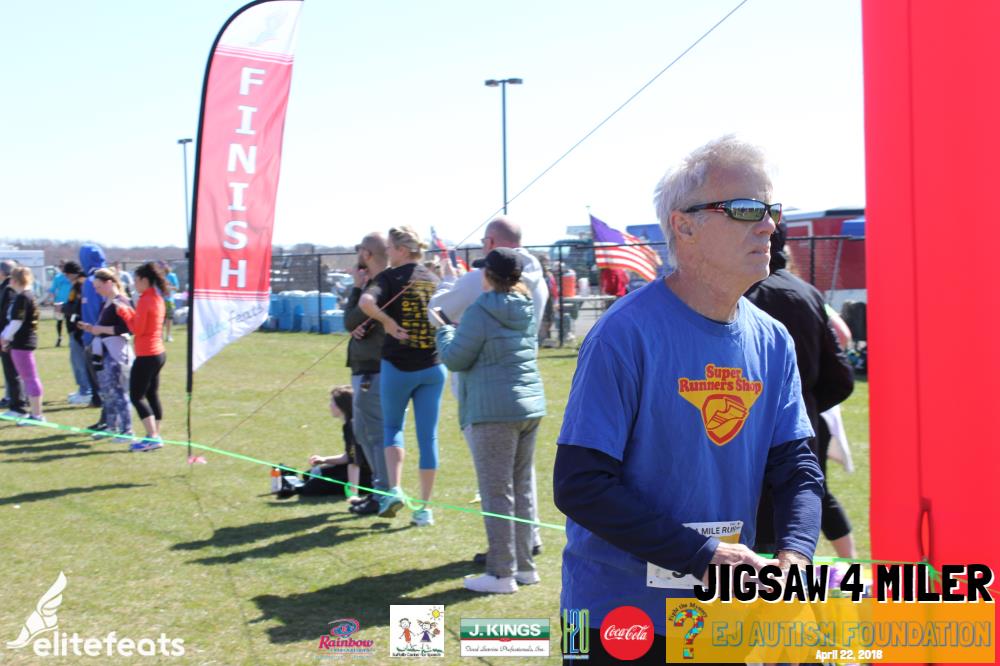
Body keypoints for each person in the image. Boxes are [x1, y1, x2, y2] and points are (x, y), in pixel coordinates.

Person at [553, 136, 824, 658]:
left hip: (720, 616)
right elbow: (581, 484)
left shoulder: (772, 339)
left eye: (772, 211)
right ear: (684, 226)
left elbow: (797, 469)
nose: (769, 226)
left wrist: (795, 558)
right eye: (746, 209)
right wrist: (702, 554)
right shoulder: (623, 334)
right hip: (617, 618)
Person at [427, 216, 548, 559]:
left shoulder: (482, 298)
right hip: (525, 390)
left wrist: (448, 281)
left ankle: (503, 562)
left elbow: (439, 314)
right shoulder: (534, 283)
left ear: (492, 244)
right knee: (520, 481)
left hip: (487, 395)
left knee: (497, 486)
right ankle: (525, 549)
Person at [745, 227, 856, 560]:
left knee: (765, 526)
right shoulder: (806, 293)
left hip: (752, 428)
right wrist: (805, 405)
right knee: (800, 505)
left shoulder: (740, 295)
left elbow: (840, 375)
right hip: (801, 423)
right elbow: (840, 375)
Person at [359, 226, 445, 527]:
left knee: (393, 427)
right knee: (428, 436)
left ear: (402, 250)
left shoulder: (388, 278)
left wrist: (387, 322)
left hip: (397, 366)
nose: (387, 253)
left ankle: (394, 489)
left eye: (390, 248)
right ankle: (424, 509)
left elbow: (365, 303)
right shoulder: (434, 279)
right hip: (433, 367)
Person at [342, 233, 389, 516]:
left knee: (375, 434)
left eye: (360, 250)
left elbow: (349, 319)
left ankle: (383, 493)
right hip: (365, 367)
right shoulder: (373, 284)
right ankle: (377, 490)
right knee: (363, 433)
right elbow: (352, 323)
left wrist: (357, 288)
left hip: (374, 368)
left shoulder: (379, 286)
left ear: (367, 254)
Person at [278, 385, 373, 499]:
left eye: (332, 402)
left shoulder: (351, 427)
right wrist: (324, 460)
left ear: (341, 406)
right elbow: (349, 456)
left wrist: (353, 493)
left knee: (311, 487)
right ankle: (292, 480)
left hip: (366, 477)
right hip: (358, 469)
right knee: (309, 474)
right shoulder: (349, 424)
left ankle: (294, 485)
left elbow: (354, 463)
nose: (330, 406)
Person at [79, 268, 134, 441]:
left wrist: (100, 329)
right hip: (103, 351)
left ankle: (127, 430)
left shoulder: (121, 301)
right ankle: (111, 427)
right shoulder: (106, 302)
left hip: (115, 352)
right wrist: (92, 328)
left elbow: (127, 328)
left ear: (109, 283)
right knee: (107, 392)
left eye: (99, 287)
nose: (97, 291)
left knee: (118, 391)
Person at [119, 262, 168, 452]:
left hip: (147, 355)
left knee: (136, 396)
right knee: (151, 394)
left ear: (144, 280)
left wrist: (123, 311)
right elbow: (143, 323)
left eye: (136, 280)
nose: (134, 284)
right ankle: (155, 434)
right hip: (158, 353)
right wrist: (130, 310)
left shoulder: (146, 299)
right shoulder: (156, 297)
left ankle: (152, 437)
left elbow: (136, 329)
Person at [1, 267, 45, 425]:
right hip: (21, 342)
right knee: (28, 378)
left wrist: (4, 338)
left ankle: (37, 415)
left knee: (30, 378)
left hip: (23, 343)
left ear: (15, 280)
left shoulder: (23, 297)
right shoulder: (26, 295)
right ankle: (35, 413)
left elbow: (16, 321)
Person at [80, 244, 107, 419]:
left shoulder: (91, 281)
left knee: (101, 379)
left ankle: (108, 419)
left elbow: (92, 311)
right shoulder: (110, 275)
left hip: (97, 336)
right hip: (112, 335)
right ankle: (108, 418)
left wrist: (89, 336)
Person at [61, 261, 92, 404]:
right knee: (76, 361)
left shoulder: (81, 285)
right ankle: (83, 389)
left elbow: (76, 307)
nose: (66, 277)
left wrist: (63, 308)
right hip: (75, 328)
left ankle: (86, 391)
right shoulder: (77, 285)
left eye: (67, 274)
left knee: (79, 362)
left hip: (78, 329)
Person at [0, 259, 28, 417]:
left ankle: (18, 407)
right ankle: (15, 403)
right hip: (6, 334)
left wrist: (5, 336)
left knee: (13, 372)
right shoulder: (6, 288)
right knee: (11, 372)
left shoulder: (10, 291)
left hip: (8, 336)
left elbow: (9, 317)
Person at [48, 260, 72, 347]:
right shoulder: (57, 277)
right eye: (60, 266)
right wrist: (52, 299)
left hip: (70, 303)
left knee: (70, 321)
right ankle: (59, 337)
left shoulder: (71, 277)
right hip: (59, 303)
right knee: (59, 322)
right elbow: (52, 290)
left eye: (63, 266)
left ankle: (71, 339)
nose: (61, 268)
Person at [161, 262, 179, 342]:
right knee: (160, 318)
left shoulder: (172, 276)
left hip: (169, 300)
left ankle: (168, 335)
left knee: (169, 318)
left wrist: (169, 288)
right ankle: (160, 336)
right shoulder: (158, 276)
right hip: (160, 301)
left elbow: (177, 287)